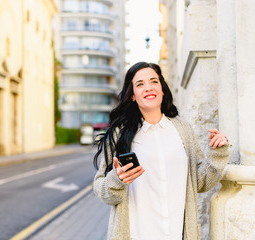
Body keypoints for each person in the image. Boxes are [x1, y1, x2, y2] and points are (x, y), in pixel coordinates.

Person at [93, 62, 229, 240]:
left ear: (162, 89)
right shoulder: (120, 134)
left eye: (153, 81)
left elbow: (200, 182)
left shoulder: (183, 129)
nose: (148, 88)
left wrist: (217, 153)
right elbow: (102, 189)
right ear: (132, 95)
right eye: (140, 84)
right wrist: (117, 180)